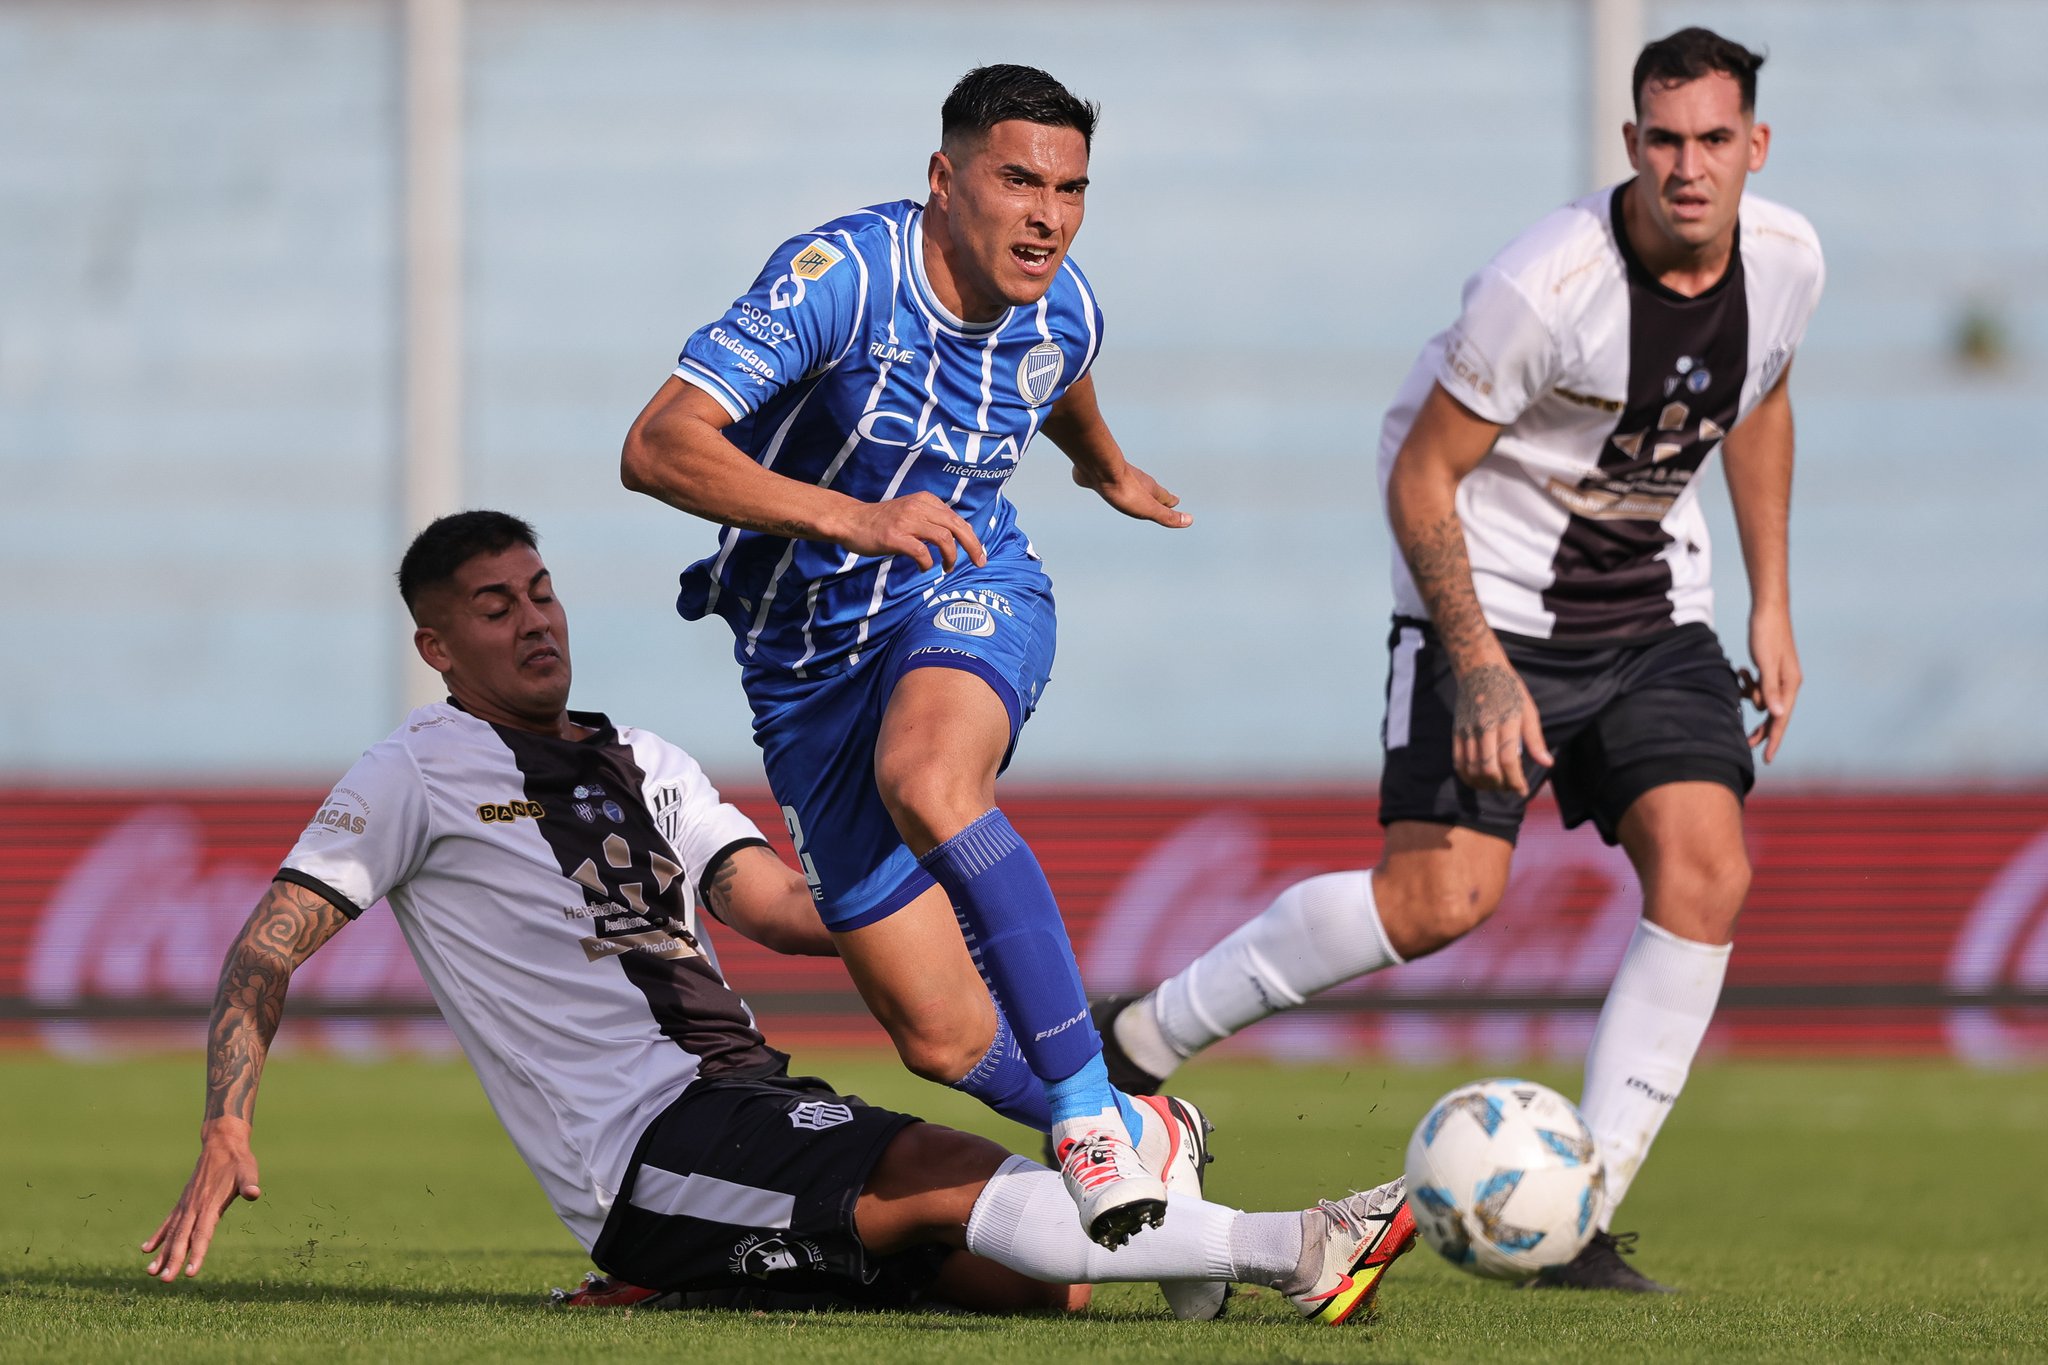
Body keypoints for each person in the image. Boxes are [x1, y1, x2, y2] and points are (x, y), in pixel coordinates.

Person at [139, 512, 1418, 1326]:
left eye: (541, 592)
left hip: (738, 1100)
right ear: (436, 646)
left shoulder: (645, 756)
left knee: (1052, 1286)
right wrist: (225, 1119)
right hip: (642, 1152)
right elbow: (268, 943)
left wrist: (915, 867)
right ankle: (1294, 1247)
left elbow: (781, 910)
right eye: (495, 607)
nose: (534, 621)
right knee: (933, 1170)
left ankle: (1153, 1176)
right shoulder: (412, 771)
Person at [1091, 28, 1823, 1293]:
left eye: (1713, 141)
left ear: (1752, 146)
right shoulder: (1546, 285)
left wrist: (1772, 604)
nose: (1686, 167)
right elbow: (1421, 470)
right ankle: (1143, 1037)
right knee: (1440, 903)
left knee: (1707, 873)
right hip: (1479, 594)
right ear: (1630, 146)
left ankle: (1573, 1220)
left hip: (1651, 607)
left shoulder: (1788, 261)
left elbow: (1755, 399)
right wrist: (1476, 665)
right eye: (1662, 141)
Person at [618, 65, 1200, 1249]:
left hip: (967, 588)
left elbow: (1059, 376)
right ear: (944, 180)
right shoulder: (844, 279)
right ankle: (1153, 1137)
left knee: (931, 780)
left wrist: (1103, 468)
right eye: (1017, 182)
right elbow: (656, 447)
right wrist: (851, 517)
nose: (1046, 215)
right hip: (805, 669)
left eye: (1071, 190)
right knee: (937, 1036)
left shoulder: (1065, 301)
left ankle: (1087, 1117)